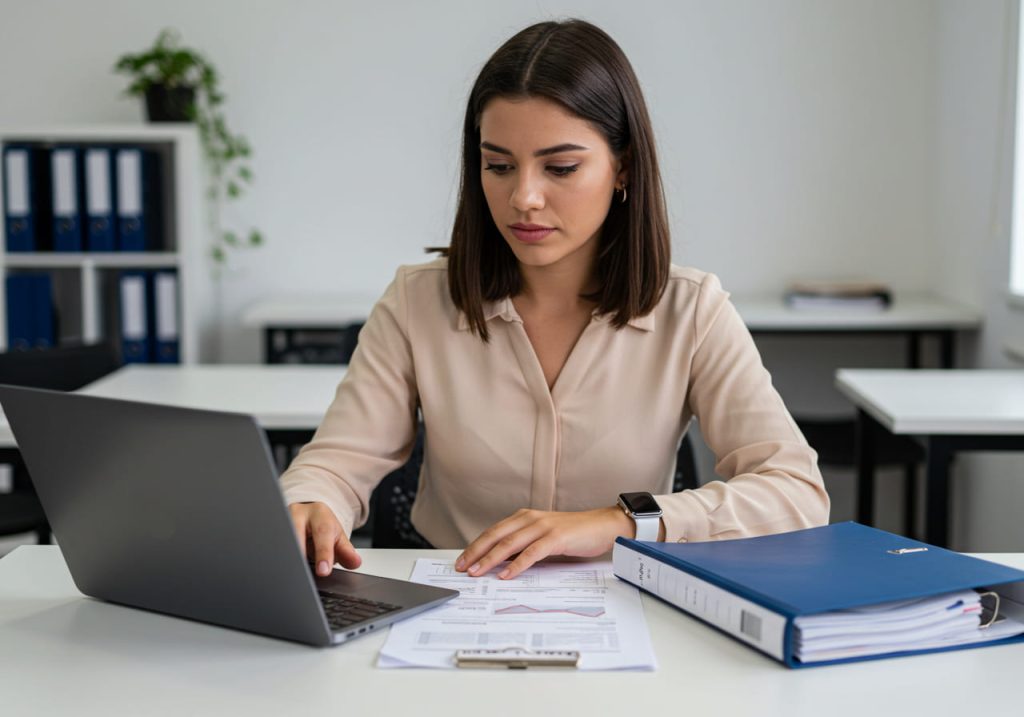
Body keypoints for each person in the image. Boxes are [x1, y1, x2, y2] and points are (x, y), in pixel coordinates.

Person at [281, 18, 829, 582]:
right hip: (453, 600)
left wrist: (619, 521)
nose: (524, 197)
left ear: (624, 168)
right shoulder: (416, 302)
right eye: (498, 166)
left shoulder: (692, 311)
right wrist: (310, 502)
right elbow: (334, 464)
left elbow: (796, 493)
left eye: (561, 167)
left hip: (628, 601)